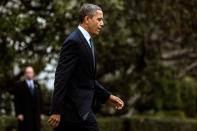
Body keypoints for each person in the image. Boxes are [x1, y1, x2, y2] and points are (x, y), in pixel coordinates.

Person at [48, 3, 124, 131]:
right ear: (87, 19)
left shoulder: (88, 40)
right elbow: (61, 77)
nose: (102, 24)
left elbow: (86, 79)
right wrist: (56, 110)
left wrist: (108, 96)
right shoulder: (74, 41)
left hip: (79, 112)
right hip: (74, 111)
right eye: (99, 19)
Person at [14, 66, 43, 131]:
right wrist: (18, 113)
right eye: (27, 72)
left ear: (33, 73)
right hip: (25, 115)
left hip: (36, 115)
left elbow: (41, 100)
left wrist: (41, 113)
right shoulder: (20, 85)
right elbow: (16, 100)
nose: (29, 74)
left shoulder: (37, 85)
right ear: (25, 74)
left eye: (30, 72)